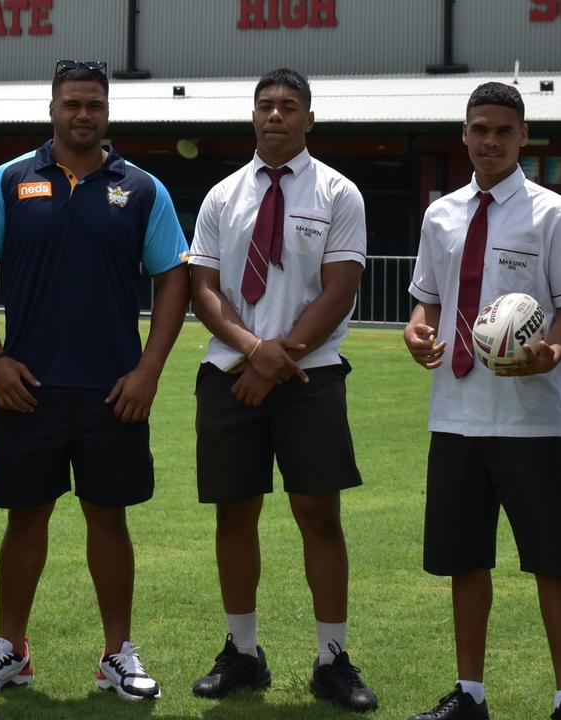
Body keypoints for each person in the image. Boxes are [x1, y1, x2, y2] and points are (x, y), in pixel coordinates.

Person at [0, 59, 189, 701]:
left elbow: (173, 279)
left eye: (95, 105)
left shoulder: (142, 189)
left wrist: (148, 370)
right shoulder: (9, 181)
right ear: (52, 108)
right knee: (24, 520)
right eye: (72, 103)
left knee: (108, 519)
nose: (83, 114)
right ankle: (11, 650)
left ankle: (118, 655)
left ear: (107, 112)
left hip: (115, 391)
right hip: (26, 386)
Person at [187, 67, 378, 714]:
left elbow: (340, 287)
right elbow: (203, 289)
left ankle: (333, 659)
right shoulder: (221, 197)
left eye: (288, 106)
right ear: (252, 116)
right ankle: (242, 651)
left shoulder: (338, 193)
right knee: (234, 514)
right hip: (229, 375)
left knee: (319, 516)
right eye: (265, 105)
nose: (275, 116)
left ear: (309, 119)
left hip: (311, 377)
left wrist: (278, 357)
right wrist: (252, 351)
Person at [402, 82, 561, 720]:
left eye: (503, 131)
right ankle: (470, 693)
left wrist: (554, 353)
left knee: (552, 562)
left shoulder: (554, 213)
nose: (490, 140)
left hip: (530, 418)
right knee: (464, 560)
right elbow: (427, 292)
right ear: (465, 134)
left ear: (523, 137)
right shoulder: (441, 214)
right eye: (479, 129)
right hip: (455, 412)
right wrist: (417, 324)